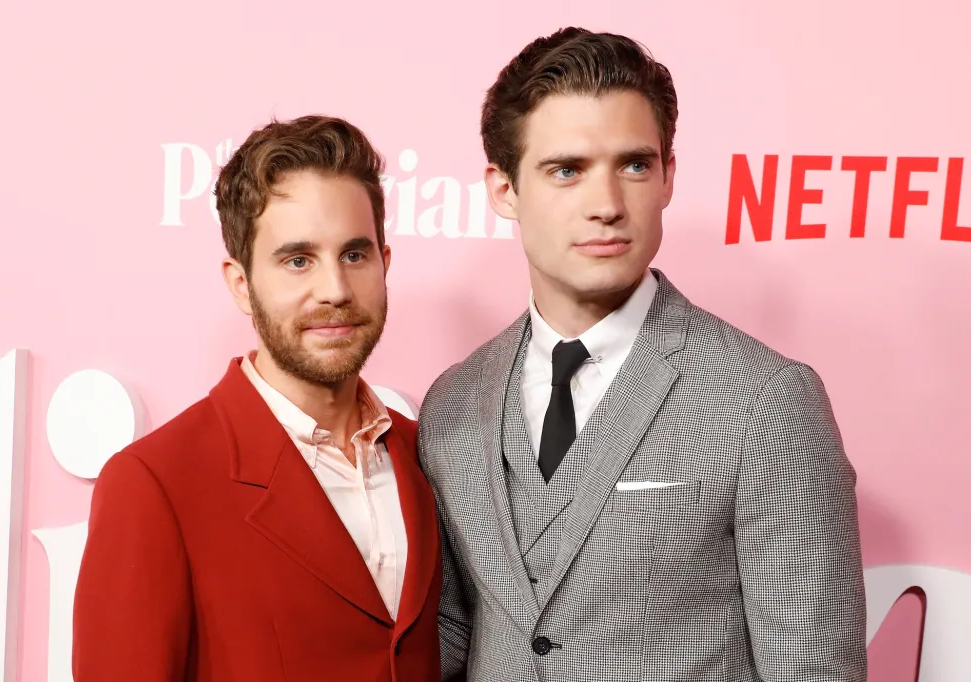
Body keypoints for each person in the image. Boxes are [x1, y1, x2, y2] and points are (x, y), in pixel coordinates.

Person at [417, 27, 867, 681]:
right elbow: (449, 637)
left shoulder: (768, 400)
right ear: (504, 189)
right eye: (567, 170)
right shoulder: (453, 400)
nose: (606, 205)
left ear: (667, 178)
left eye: (634, 164)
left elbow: (813, 667)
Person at [72, 115, 441, 682]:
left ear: (384, 264)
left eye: (354, 255)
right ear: (241, 284)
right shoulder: (154, 484)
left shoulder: (430, 455)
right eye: (298, 260)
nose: (335, 290)